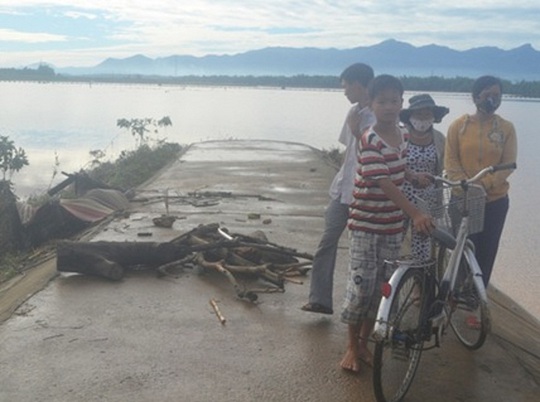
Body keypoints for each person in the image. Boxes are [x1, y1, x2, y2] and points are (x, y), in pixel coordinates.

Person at [340, 74, 434, 372]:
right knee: (361, 290)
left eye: (395, 100)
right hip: (367, 228)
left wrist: (412, 176)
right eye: (383, 101)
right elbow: (384, 184)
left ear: (401, 103)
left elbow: (399, 169)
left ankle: (365, 344)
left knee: (382, 289)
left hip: (392, 228)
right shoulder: (369, 139)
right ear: (371, 103)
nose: (390, 107)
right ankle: (352, 349)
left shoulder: (403, 135)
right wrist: (416, 213)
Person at [301, 63, 375, 315]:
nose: (344, 92)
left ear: (358, 84)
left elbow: (376, 154)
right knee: (327, 242)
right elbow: (349, 153)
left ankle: (360, 306)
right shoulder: (353, 112)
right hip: (343, 191)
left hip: (365, 195)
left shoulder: (379, 116)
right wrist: (340, 180)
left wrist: (357, 130)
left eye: (345, 86)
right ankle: (320, 300)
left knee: (361, 252)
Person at [445, 75, 517, 288]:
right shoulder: (458, 126)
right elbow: (450, 161)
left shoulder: (506, 128)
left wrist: (485, 185)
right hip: (462, 199)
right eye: (488, 95)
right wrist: (465, 185)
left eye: (497, 96)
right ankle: (454, 294)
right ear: (476, 98)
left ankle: (476, 299)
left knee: (486, 251)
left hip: (494, 201)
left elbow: (509, 164)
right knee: (461, 248)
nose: (492, 100)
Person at [399, 94, 449, 262]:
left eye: (427, 114)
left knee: (422, 247)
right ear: (410, 116)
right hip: (400, 198)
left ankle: (420, 282)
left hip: (427, 201)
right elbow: (392, 163)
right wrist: (412, 176)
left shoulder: (440, 139)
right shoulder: (399, 135)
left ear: (434, 117)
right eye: (418, 114)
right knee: (393, 243)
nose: (422, 118)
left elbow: (445, 166)